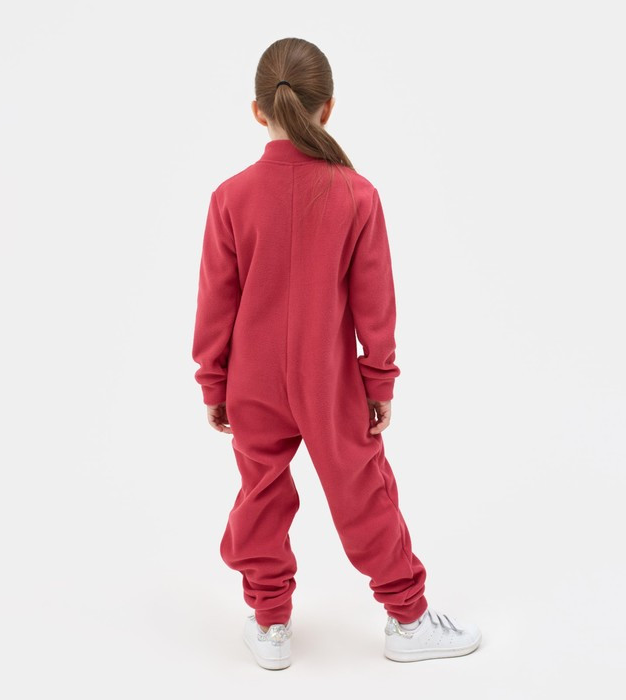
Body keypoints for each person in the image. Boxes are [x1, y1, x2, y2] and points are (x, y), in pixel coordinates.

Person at [191, 37, 481, 670]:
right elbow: (376, 304)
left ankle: (270, 624)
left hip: (252, 380)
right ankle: (408, 620)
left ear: (257, 110)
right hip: (329, 380)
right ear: (327, 108)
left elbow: (216, 301)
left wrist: (214, 382)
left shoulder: (230, 197)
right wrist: (379, 381)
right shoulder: (356, 194)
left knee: (261, 494)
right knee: (363, 493)